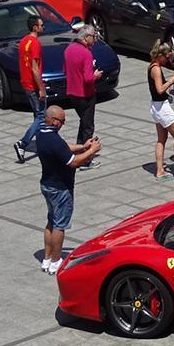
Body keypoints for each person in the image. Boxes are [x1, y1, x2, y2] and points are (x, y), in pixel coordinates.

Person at [36, 107, 101, 273]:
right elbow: (73, 162)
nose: (63, 124)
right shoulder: (53, 140)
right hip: (60, 188)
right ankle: (56, 261)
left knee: (51, 221)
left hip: (47, 184)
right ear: (53, 120)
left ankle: (47, 258)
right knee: (59, 225)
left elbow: (64, 147)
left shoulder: (42, 133)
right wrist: (91, 151)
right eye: (62, 121)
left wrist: (83, 146)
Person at [147, 44, 174, 180]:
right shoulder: (156, 69)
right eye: (166, 57)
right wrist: (171, 80)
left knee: (161, 139)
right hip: (161, 107)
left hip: (155, 106)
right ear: (160, 55)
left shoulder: (152, 66)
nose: (167, 60)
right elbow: (160, 89)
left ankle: (160, 170)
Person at [62, 25, 102, 149]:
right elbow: (88, 78)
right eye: (93, 36)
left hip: (72, 93)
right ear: (86, 37)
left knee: (84, 122)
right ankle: (86, 157)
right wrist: (96, 75)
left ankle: (79, 149)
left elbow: (64, 71)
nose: (95, 39)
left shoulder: (68, 49)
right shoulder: (86, 53)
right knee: (88, 126)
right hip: (86, 95)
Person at [15, 16, 47, 164]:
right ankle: (23, 143)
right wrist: (41, 88)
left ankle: (42, 144)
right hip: (33, 86)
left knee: (37, 116)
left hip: (25, 83)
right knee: (41, 116)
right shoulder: (35, 44)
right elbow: (35, 68)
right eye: (41, 25)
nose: (43, 27)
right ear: (35, 27)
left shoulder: (23, 41)